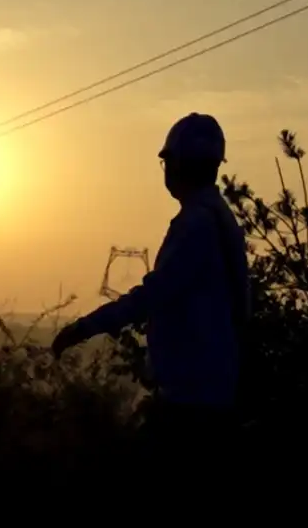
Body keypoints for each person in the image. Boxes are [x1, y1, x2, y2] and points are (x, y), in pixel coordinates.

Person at [52, 112, 251, 463]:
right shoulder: (219, 217)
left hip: (191, 402)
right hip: (213, 392)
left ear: (178, 164)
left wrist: (85, 327)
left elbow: (152, 295)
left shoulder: (196, 225)